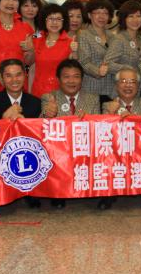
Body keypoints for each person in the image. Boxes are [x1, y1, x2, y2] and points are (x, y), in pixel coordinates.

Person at [40, 59, 101, 209]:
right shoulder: (49, 97)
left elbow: (99, 128)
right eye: (66, 77)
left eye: (76, 76)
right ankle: (58, 192)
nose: (71, 81)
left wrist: (90, 119)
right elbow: (41, 127)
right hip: (59, 152)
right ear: (58, 79)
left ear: (82, 79)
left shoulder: (93, 98)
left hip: (85, 148)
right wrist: (47, 114)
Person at [0, 58, 43, 208]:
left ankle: (30, 191)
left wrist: (25, 124)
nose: (14, 80)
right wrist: (5, 119)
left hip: (29, 158)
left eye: (18, 75)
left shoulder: (36, 102)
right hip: (0, 157)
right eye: (8, 76)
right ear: (2, 78)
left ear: (25, 75)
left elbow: (40, 136)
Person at [98, 66, 141, 210]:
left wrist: (135, 118)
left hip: (140, 153)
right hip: (116, 154)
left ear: (138, 86)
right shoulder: (107, 105)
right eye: (123, 81)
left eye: (132, 82)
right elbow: (101, 132)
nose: (128, 85)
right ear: (116, 86)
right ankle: (108, 195)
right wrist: (110, 114)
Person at [77, 0, 117, 105]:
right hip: (92, 89)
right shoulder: (84, 35)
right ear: (89, 15)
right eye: (97, 13)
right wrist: (98, 71)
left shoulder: (113, 37)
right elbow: (84, 62)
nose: (101, 16)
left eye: (105, 13)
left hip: (112, 90)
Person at [104, 0, 141, 83]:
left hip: (138, 86)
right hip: (122, 86)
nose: (135, 20)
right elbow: (108, 64)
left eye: (138, 16)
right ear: (124, 19)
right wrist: (128, 68)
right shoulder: (119, 39)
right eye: (131, 16)